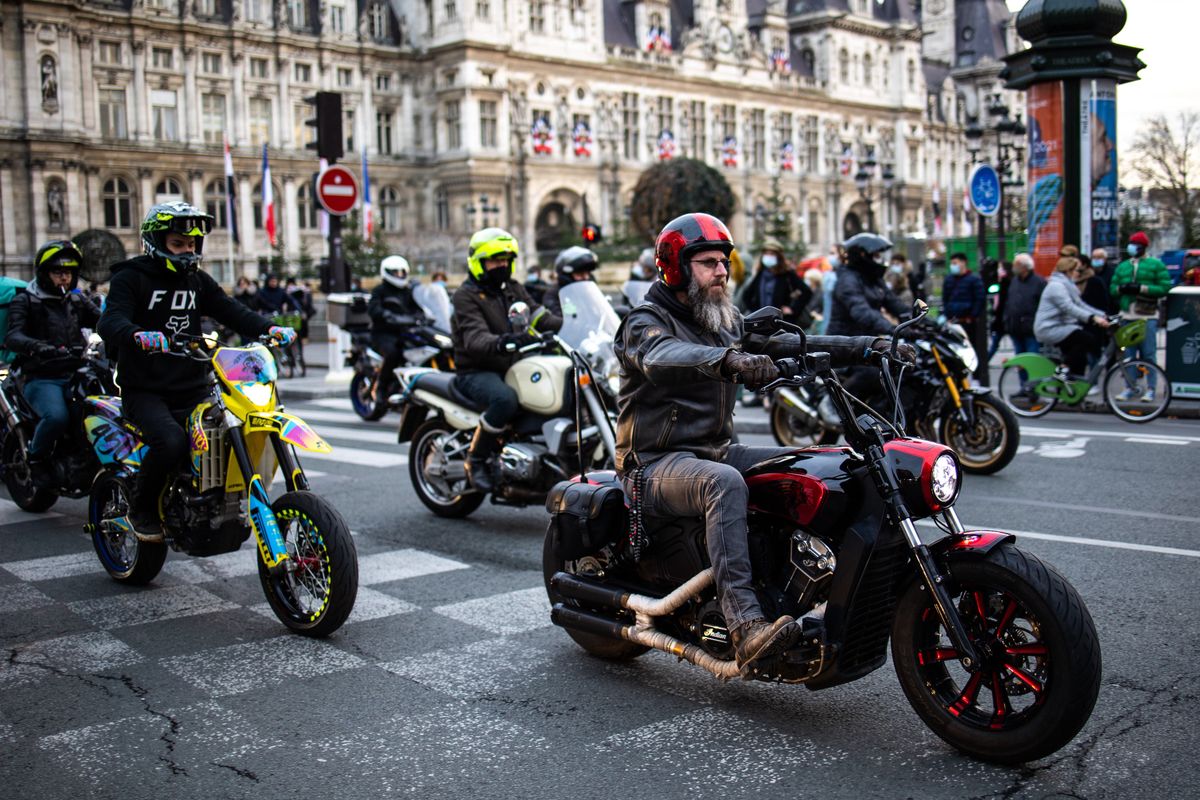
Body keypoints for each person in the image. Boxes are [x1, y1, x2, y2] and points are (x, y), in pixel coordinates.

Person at [615, 212, 908, 676]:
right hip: (652, 463)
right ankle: (746, 628)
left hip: (713, 449)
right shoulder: (644, 322)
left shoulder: (722, 318)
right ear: (674, 267)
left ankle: (809, 589)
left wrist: (870, 345)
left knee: (820, 465)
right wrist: (728, 359)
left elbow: (796, 342)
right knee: (723, 484)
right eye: (708, 262)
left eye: (723, 262)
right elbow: (662, 355)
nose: (721, 271)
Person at [97, 201, 294, 542]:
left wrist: (269, 328)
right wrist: (136, 334)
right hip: (145, 390)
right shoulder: (130, 277)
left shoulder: (197, 280)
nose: (187, 251)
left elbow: (231, 310)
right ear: (155, 242)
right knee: (171, 442)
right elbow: (110, 321)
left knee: (231, 432)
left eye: (191, 244)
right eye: (178, 244)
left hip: (193, 385)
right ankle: (141, 509)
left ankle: (214, 502)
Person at [450, 227, 562, 492]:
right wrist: (501, 341)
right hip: (476, 370)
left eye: (505, 260)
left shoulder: (512, 289)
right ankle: (475, 460)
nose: (502, 265)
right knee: (505, 399)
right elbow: (475, 338)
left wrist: (571, 325)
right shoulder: (465, 296)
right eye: (495, 260)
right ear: (479, 262)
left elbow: (538, 315)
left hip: (512, 364)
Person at [4, 240, 101, 487]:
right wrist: (38, 347)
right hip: (41, 376)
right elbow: (13, 335)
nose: (64, 278)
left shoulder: (76, 300)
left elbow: (105, 322)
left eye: (68, 273)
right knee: (57, 417)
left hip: (77, 371)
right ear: (45, 274)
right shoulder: (26, 301)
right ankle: (36, 460)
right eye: (58, 272)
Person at [1110, 231, 1170, 402]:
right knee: (1129, 354)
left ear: (1143, 247)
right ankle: (1130, 387)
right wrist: (1121, 289)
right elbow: (1113, 288)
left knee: (1148, 354)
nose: (1132, 247)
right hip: (1126, 315)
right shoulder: (1123, 266)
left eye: (1135, 245)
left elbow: (1165, 287)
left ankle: (1151, 388)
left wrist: (1142, 288)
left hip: (1147, 316)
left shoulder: (1156, 265)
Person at [1033, 254, 1109, 379]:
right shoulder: (1056, 286)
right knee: (1087, 339)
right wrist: (1092, 318)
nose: (1078, 274)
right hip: (1049, 328)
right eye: (1076, 270)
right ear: (1068, 271)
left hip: (1061, 326)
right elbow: (1069, 307)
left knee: (1080, 359)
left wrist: (1103, 315)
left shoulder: (1067, 285)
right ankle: (1062, 369)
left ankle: (1074, 395)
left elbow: (1080, 304)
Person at [368, 255, 427, 402]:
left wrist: (425, 315)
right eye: (396, 272)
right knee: (393, 354)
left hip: (406, 332)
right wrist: (387, 315)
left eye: (402, 272)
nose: (400, 275)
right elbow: (374, 310)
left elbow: (419, 307)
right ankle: (382, 387)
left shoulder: (408, 291)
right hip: (384, 333)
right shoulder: (379, 291)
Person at [735, 239, 812, 328]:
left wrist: (793, 309)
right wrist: (756, 311)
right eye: (766, 253)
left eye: (772, 254)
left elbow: (807, 292)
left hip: (783, 323)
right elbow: (747, 295)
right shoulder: (761, 274)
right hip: (763, 324)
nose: (768, 256)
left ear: (779, 256)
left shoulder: (787, 274)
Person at [943, 252, 987, 381]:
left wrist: (972, 315)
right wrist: (948, 313)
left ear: (963, 263)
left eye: (955, 263)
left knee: (972, 348)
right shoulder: (949, 280)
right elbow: (945, 299)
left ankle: (976, 377)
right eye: (952, 263)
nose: (953, 266)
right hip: (953, 320)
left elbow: (980, 299)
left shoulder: (973, 280)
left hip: (968, 321)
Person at [1002, 253, 1046, 357]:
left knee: (1032, 359)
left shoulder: (1039, 282)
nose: (1013, 266)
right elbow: (1009, 302)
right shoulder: (1014, 281)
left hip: (1031, 328)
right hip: (1015, 327)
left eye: (1016, 264)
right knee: (1020, 360)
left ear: (1024, 266)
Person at [543, 246, 597, 316]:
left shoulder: (589, 293)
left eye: (587, 273)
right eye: (580, 274)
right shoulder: (554, 295)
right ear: (566, 275)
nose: (586, 277)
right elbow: (556, 320)